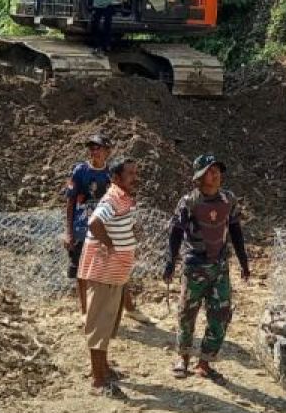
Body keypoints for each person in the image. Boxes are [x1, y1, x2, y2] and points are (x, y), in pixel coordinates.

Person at [164, 155, 250, 382]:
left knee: (220, 315)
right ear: (200, 177)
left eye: (218, 171)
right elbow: (175, 233)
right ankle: (183, 358)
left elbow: (235, 230)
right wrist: (170, 262)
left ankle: (205, 362)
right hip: (194, 266)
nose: (217, 175)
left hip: (220, 267)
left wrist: (243, 261)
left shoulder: (228, 199)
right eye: (211, 172)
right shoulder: (189, 202)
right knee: (187, 314)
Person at [63, 134, 152, 324]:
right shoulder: (80, 170)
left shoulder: (112, 173)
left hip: (109, 228)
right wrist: (68, 232)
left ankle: (129, 308)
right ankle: (85, 311)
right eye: (92, 148)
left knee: (118, 269)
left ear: (107, 151)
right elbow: (70, 201)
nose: (95, 152)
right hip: (82, 227)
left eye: (99, 148)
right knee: (83, 270)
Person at [77, 157, 140, 398]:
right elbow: (94, 223)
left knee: (107, 324)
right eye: (131, 174)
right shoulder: (113, 198)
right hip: (104, 271)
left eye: (136, 172)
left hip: (115, 272)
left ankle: (103, 369)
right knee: (100, 325)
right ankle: (98, 380)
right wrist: (110, 245)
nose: (135, 177)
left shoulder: (124, 197)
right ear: (115, 178)